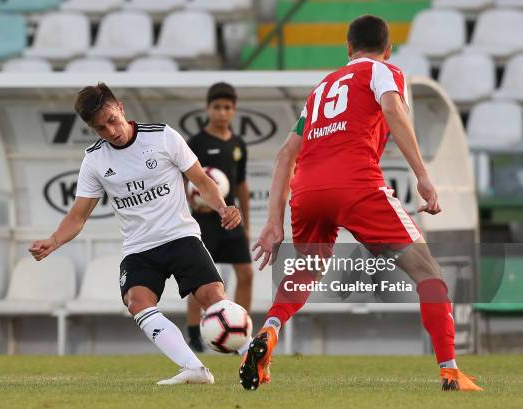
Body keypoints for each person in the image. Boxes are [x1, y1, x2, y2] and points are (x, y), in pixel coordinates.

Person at [238, 15, 483, 392]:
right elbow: (392, 108)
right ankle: (451, 373)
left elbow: (285, 154)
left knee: (306, 271)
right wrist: (422, 174)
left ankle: (269, 332)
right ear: (387, 50)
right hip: (355, 184)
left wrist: (274, 221)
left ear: (348, 48)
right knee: (429, 275)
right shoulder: (383, 71)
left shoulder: (321, 87)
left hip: (306, 191)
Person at [28, 82, 242, 385]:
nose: (111, 131)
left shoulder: (163, 136)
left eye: (112, 120)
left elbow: (202, 181)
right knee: (137, 301)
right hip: (140, 248)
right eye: (101, 128)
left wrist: (222, 209)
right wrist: (53, 241)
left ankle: (249, 349)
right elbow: (78, 215)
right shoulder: (95, 160)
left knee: (214, 299)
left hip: (180, 236)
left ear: (121, 109)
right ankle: (194, 368)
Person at [185, 82, 254, 353]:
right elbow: (185, 180)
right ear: (208, 109)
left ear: (234, 110)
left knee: (246, 273)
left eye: (227, 107)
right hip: (203, 221)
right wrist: (192, 202)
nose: (222, 112)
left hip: (232, 219)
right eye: (217, 107)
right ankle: (193, 335)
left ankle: (241, 335)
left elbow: (242, 185)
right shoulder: (196, 143)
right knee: (200, 280)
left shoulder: (238, 145)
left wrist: (246, 223)